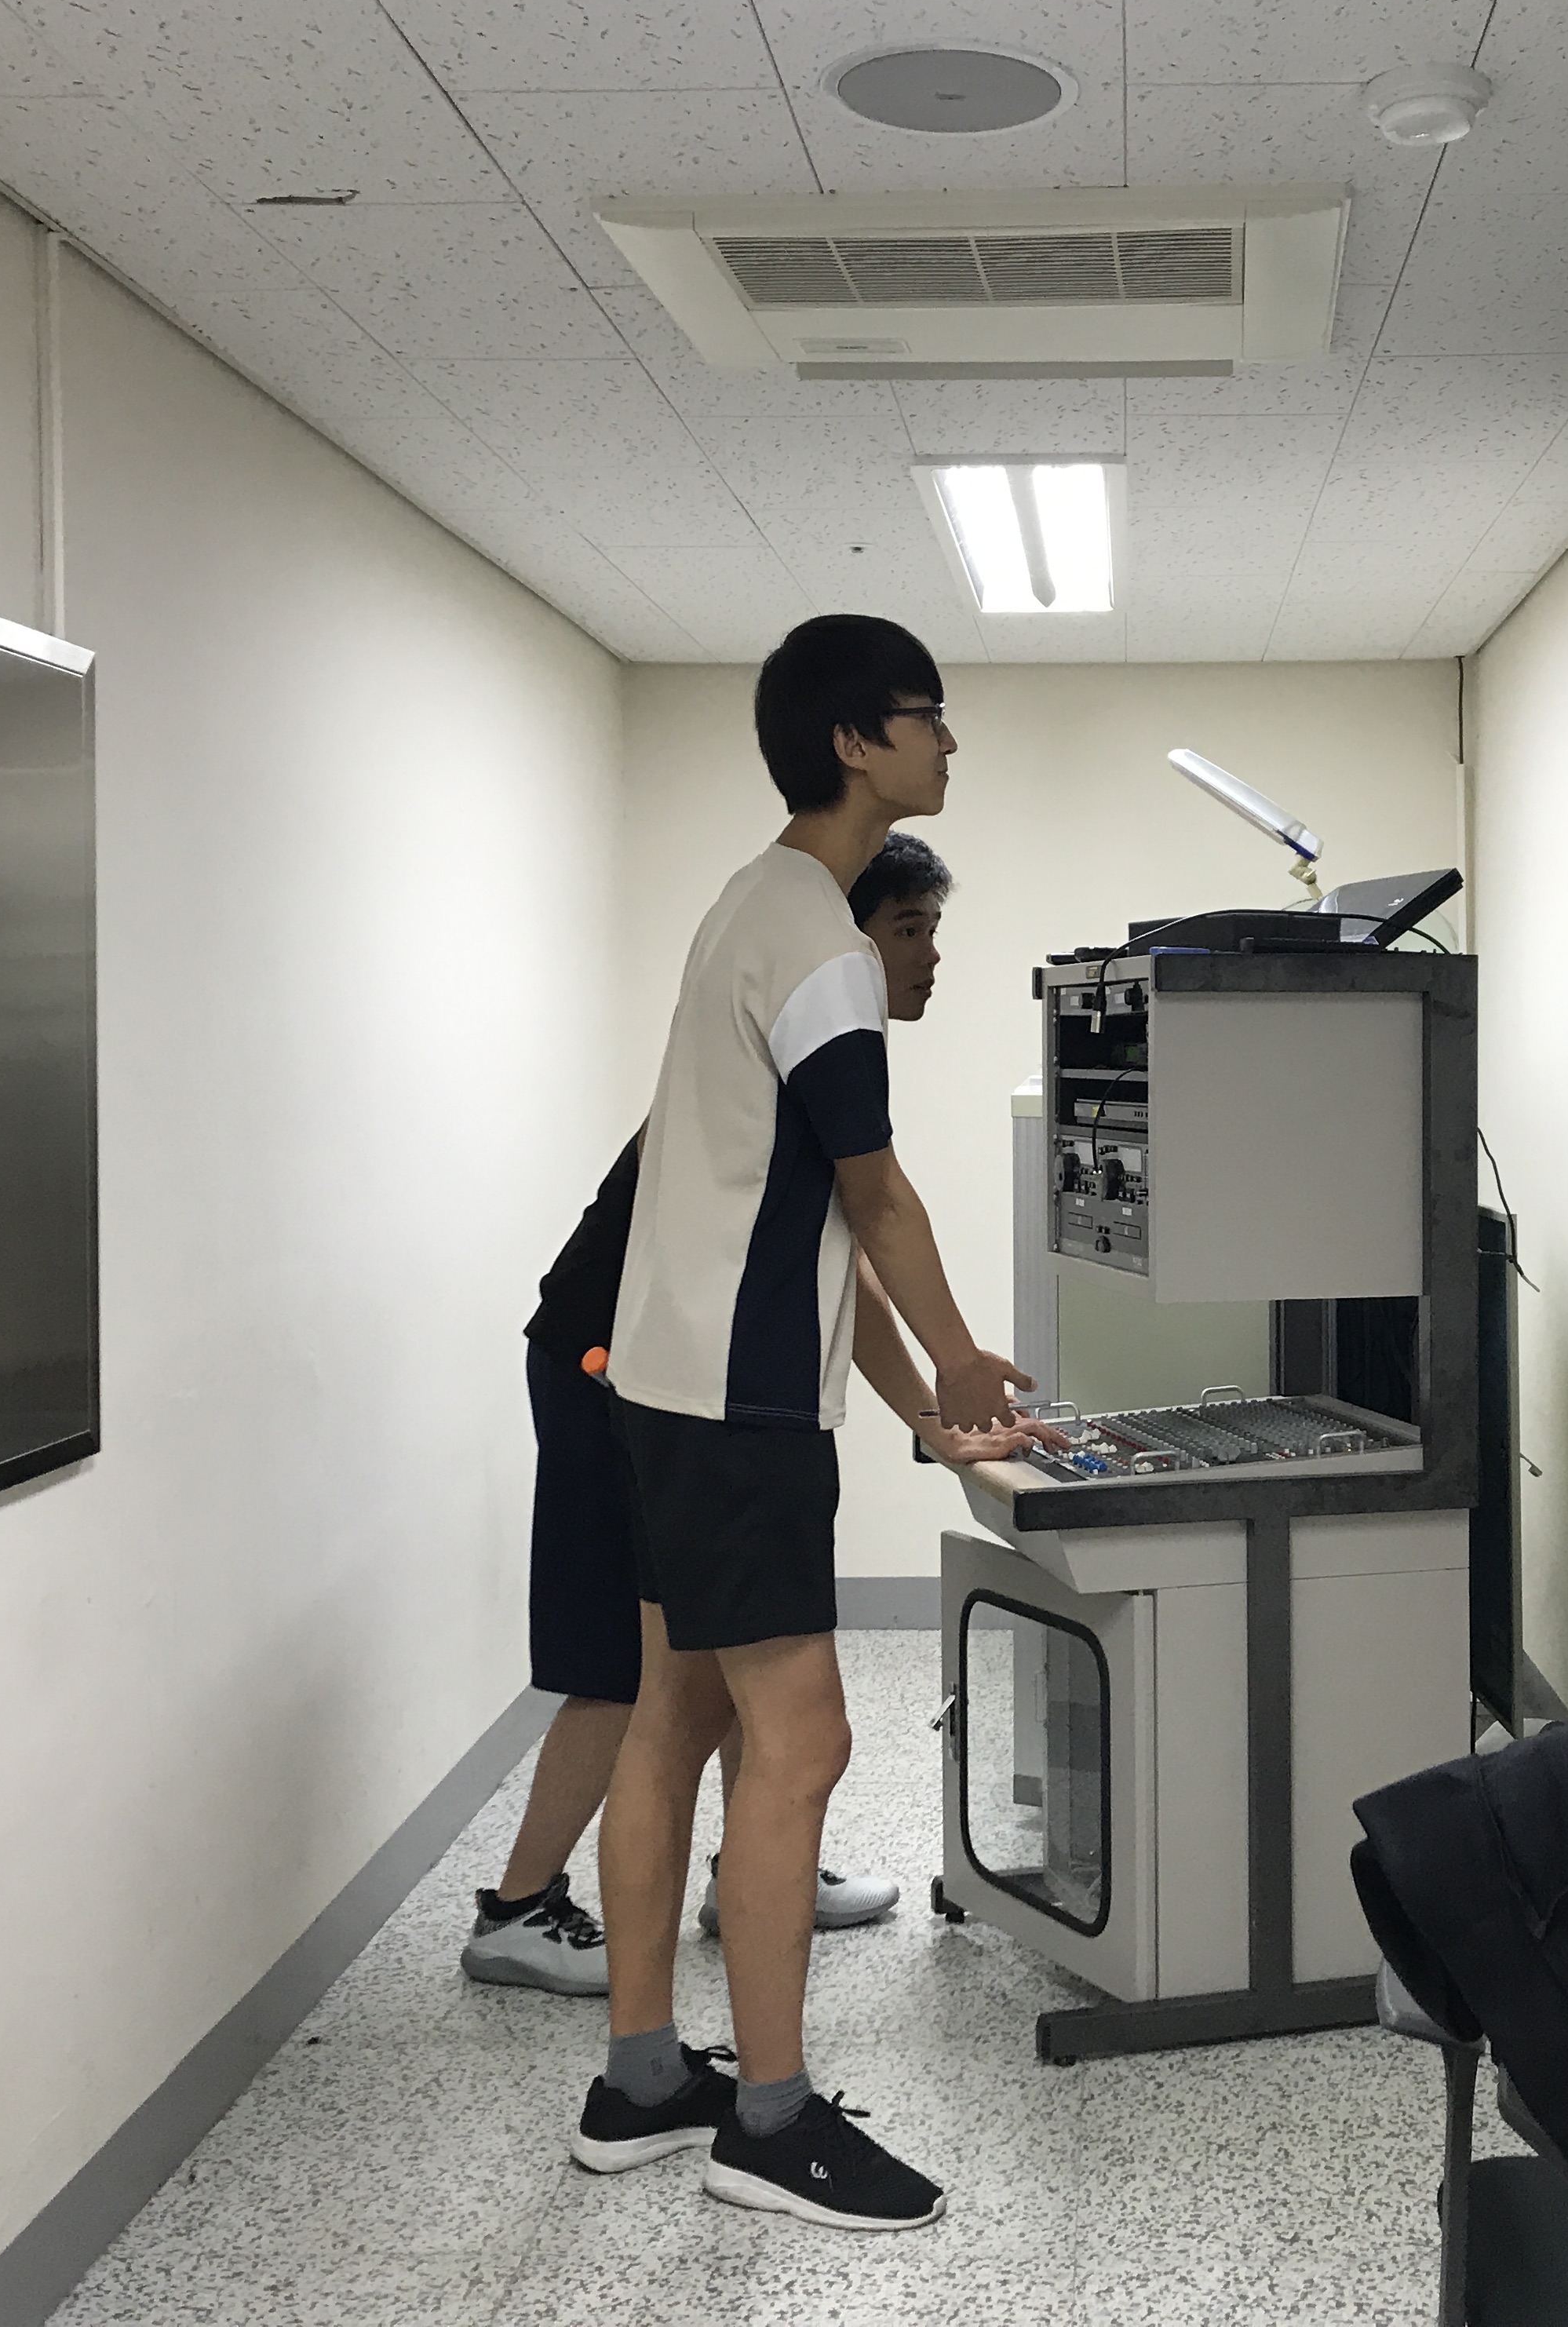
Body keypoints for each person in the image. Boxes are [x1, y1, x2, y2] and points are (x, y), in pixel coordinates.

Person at [576, 616, 1028, 2234]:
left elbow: (805, 1231)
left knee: (673, 1717)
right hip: (740, 1414)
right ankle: (769, 2123)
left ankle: (642, 2080)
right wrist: (967, 1364)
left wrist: (922, 1413)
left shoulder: (749, 904)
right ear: (855, 742)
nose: (947, 743)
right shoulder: (826, 949)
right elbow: (874, 1195)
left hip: (668, 1387)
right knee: (805, 1740)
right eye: (928, 717)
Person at [459, 833, 1006, 1996]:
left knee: (748, 1640)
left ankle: (752, 1871)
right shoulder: (783, 1047)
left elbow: (838, 1270)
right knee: (634, 1666)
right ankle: (517, 1909)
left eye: (931, 931)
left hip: (676, 1372)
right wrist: (944, 1393)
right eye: (908, 931)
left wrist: (931, 1423)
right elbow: (870, 1237)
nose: (929, 957)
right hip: (612, 1370)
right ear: (845, 941)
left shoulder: (806, 1056)